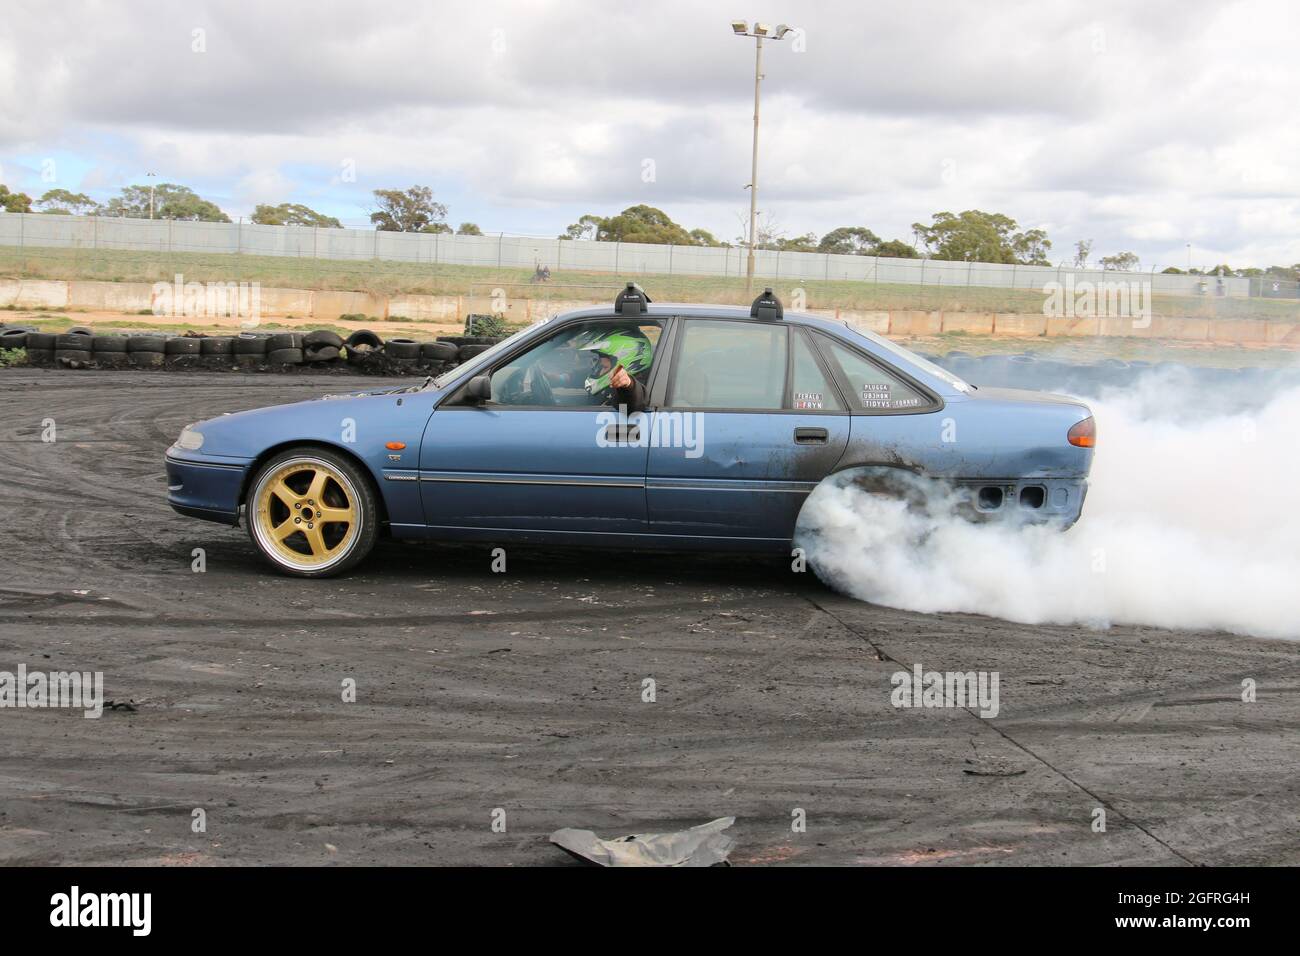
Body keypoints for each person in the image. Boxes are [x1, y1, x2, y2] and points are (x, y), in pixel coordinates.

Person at [575, 327, 654, 413]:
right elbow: (587, 375)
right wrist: (564, 377)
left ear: (625, 364)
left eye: (604, 367)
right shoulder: (604, 377)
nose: (600, 371)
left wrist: (628, 385)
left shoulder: (628, 391)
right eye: (600, 366)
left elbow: (633, 403)